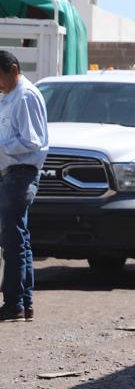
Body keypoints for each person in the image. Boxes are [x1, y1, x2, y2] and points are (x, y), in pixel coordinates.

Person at [0, 51, 49, 322]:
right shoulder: (10, 96)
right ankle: (23, 303)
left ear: (13, 70)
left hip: (20, 174)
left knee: (13, 240)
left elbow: (32, 140)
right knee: (19, 239)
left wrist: (1, 147)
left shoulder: (25, 96)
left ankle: (14, 303)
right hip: (12, 174)